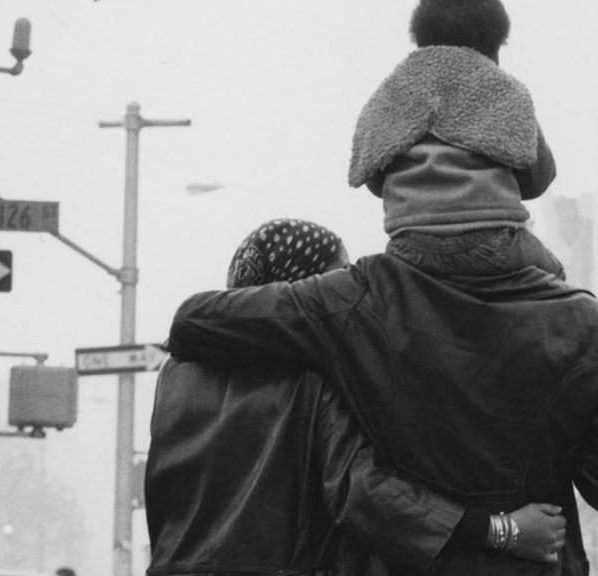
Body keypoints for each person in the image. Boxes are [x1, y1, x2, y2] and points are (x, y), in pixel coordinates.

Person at [147, 219, 567, 576]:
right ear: (295, 290)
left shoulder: (176, 378)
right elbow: (366, 496)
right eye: (332, 281)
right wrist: (504, 531)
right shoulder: (311, 377)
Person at [350, 0, 566, 281]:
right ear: (494, 46)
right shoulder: (504, 91)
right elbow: (538, 180)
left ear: (420, 42)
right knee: (554, 276)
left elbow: (375, 181)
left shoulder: (392, 92)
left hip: (411, 246)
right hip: (494, 244)